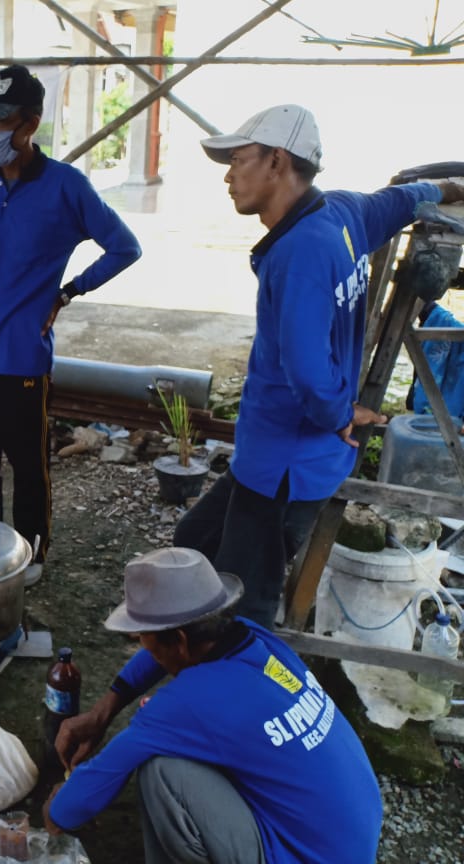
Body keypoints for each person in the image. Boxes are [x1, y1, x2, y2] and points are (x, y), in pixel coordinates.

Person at [173, 104, 464, 627]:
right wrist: (448, 188)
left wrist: (338, 413)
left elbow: (307, 371)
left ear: (277, 161)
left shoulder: (299, 253)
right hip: (277, 455)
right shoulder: (342, 212)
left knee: (243, 609)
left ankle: (245, 676)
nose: (228, 176)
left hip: (283, 466)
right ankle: (186, 650)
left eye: (237, 160)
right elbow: (403, 199)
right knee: (193, 541)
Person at [45, 547, 382, 863]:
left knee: (161, 772)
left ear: (178, 641)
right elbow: (163, 652)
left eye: (144, 639)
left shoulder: (188, 702)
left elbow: (88, 792)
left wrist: (57, 808)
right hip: (345, 838)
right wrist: (103, 711)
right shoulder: (254, 639)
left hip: (304, 855)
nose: (144, 648)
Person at [0, 64, 142, 586]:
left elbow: (125, 248)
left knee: (29, 465)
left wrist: (69, 291)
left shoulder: (66, 188)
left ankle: (31, 553)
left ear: (30, 124)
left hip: (21, 357)